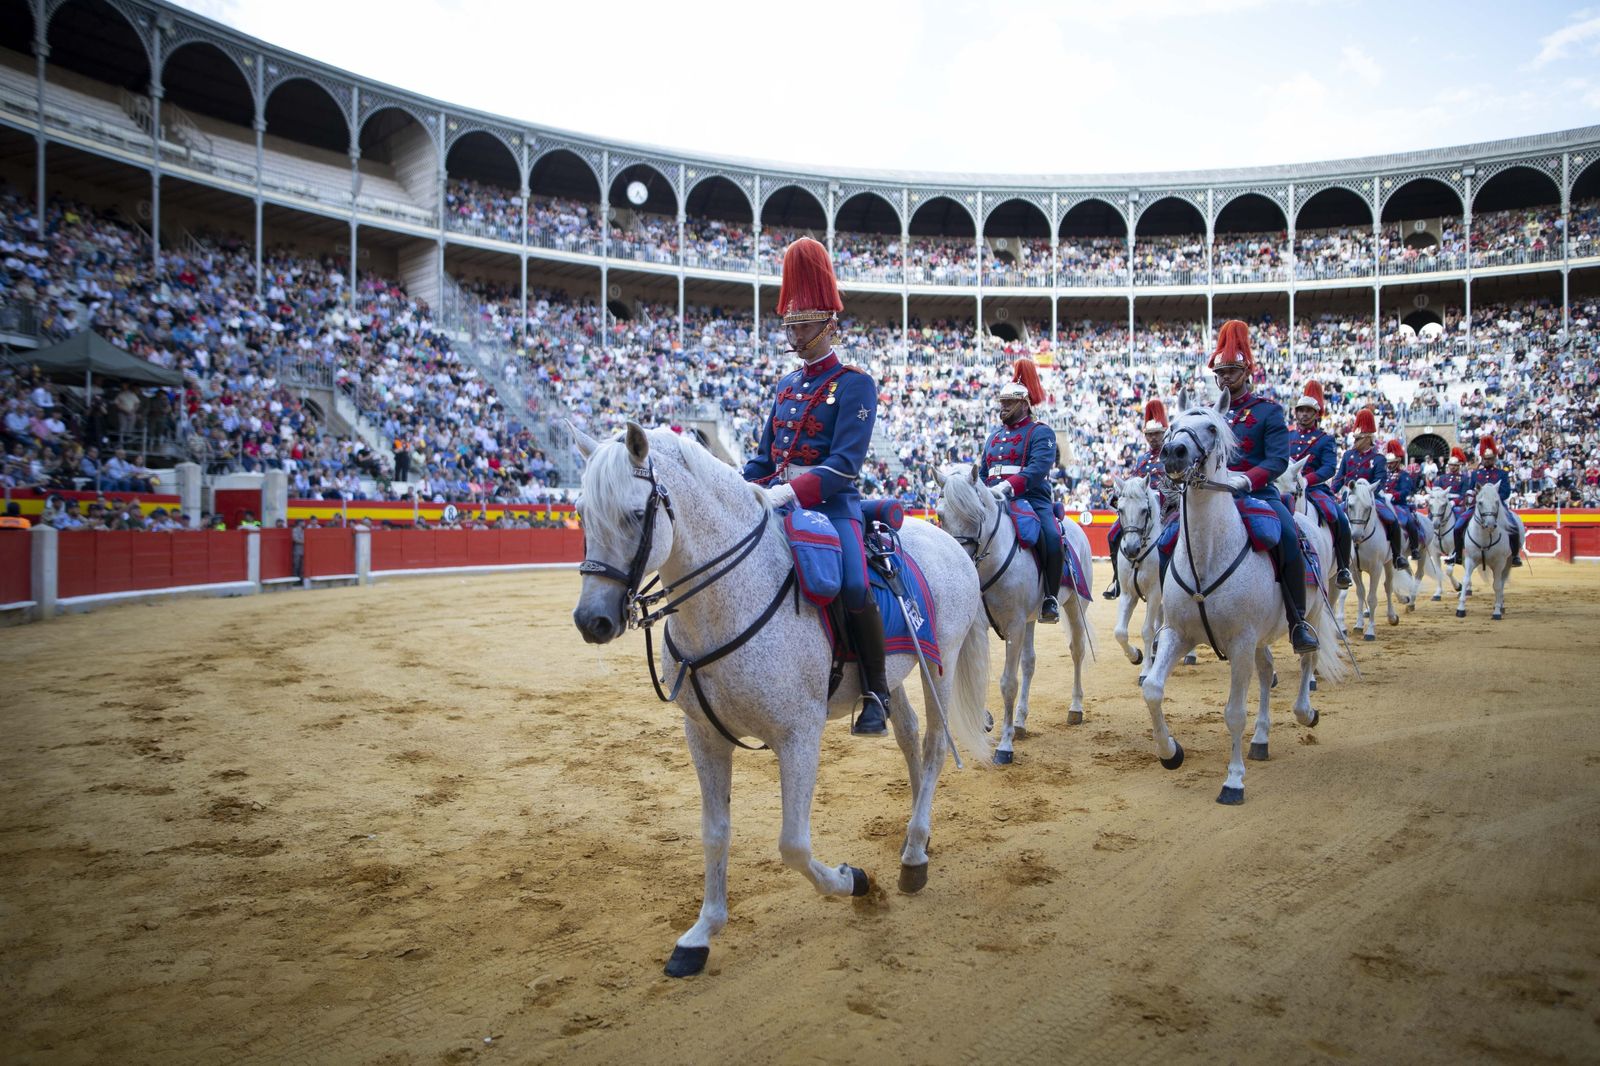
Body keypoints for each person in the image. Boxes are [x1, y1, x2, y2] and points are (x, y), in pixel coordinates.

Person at [743, 237, 889, 737]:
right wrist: (739, 488)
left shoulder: (854, 384)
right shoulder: (785, 385)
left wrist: (786, 493)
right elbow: (764, 459)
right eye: (790, 325)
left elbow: (845, 464)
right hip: (779, 505)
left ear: (829, 324)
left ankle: (876, 689)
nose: (794, 334)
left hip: (834, 506)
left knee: (852, 583)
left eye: (803, 325)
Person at [1209, 320, 1319, 654]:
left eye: (1231, 371)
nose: (1224, 378)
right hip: (1214, 495)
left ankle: (1298, 620)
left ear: (1246, 372)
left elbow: (1277, 461)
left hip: (1256, 493)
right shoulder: (1211, 414)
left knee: (1288, 535)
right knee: (1170, 536)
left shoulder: (1268, 411)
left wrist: (1247, 478)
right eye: (1220, 373)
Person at [980, 357, 1063, 622]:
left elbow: (1038, 469)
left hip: (1030, 498)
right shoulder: (994, 436)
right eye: (1002, 402)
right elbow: (983, 472)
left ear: (1024, 404)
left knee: (1051, 536)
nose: (1003, 407)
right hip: (993, 498)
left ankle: (1050, 597)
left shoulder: (1041, 432)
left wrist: (1007, 486)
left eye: (1008, 402)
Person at [1287, 380, 1353, 589]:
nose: (1304, 414)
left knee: (1339, 518)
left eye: (1308, 411)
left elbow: (1329, 468)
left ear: (1316, 414)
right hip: (1285, 486)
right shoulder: (1287, 436)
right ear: (1295, 413)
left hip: (1313, 488)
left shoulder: (1325, 439)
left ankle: (1342, 567)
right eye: (1301, 411)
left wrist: (1306, 480)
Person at [1103, 399, 1170, 600]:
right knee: (1113, 534)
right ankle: (1118, 580)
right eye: (1149, 435)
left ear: (1164, 433)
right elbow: (1133, 482)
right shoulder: (1142, 459)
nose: (1153, 438)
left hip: (1166, 507)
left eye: (1156, 434)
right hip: (1141, 508)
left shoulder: (1171, 454)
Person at [1330, 408, 1409, 573]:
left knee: (1392, 519)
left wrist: (1367, 492)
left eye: (1359, 438)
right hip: (1350, 497)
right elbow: (1339, 477)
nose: (1356, 441)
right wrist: (1332, 491)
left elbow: (1380, 481)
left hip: (1371, 497)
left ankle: (1397, 556)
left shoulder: (1378, 458)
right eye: (1355, 437)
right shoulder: (1348, 455)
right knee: (1334, 518)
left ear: (1368, 438)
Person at [1447, 435, 1524, 566]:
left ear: (1494, 458)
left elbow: (1506, 492)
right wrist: (1470, 494)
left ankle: (1515, 555)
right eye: (1485, 459)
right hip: (1478, 507)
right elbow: (1471, 489)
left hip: (1497, 506)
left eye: (1490, 459)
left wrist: (1493, 500)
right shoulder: (1477, 474)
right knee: (1458, 526)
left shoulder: (1502, 474)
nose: (1487, 461)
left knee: (1513, 526)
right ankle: (1458, 555)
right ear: (1482, 459)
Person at [1381, 440, 1424, 561]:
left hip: (1399, 505)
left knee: (1410, 522)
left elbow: (1406, 490)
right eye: (1388, 463)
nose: (1389, 465)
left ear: (1398, 462)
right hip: (1384, 503)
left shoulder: (1404, 475)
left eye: (1392, 463)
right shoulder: (1384, 474)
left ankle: (1414, 548)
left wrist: (1393, 496)